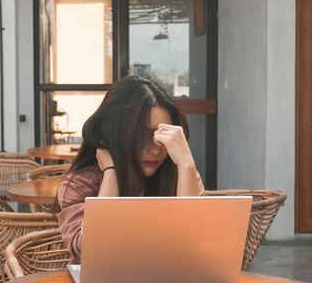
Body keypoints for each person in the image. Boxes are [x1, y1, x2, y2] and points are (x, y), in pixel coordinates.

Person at [57, 76, 204, 264]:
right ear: (117, 134)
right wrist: (111, 173)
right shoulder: (80, 184)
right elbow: (92, 252)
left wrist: (186, 163)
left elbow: (193, 248)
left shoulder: (182, 176)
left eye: (162, 136)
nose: (155, 149)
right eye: (142, 135)